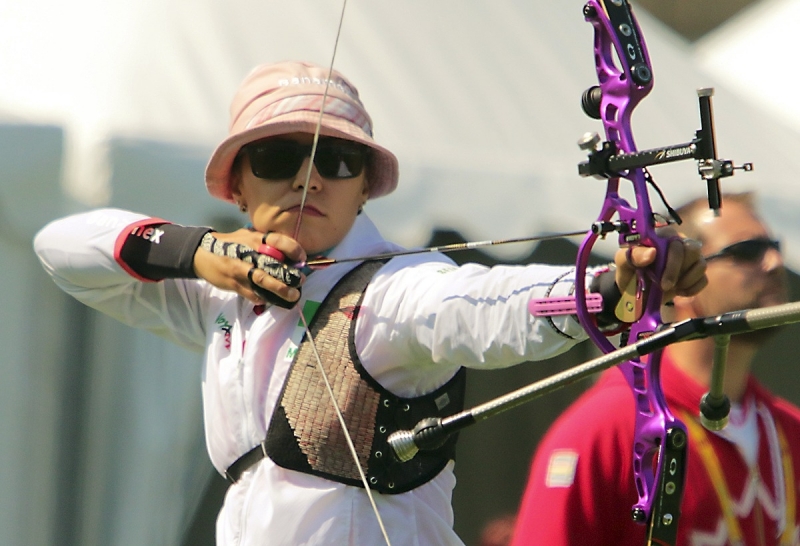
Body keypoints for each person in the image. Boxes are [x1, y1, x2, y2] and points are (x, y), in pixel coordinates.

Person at [33, 60, 705, 546]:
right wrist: (197, 249)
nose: (308, 177)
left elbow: (490, 307)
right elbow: (60, 248)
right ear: (237, 186)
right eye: (277, 156)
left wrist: (611, 286)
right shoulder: (218, 296)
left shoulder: (396, 291)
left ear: (364, 190)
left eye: (338, 162)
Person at [510, 192, 800, 546]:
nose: (773, 262)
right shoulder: (606, 427)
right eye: (746, 251)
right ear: (680, 278)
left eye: (774, 246)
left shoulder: (790, 429)